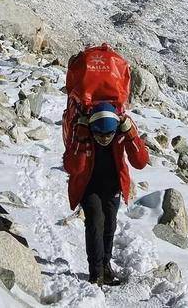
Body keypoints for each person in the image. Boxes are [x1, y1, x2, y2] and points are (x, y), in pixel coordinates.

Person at [63, 101, 149, 286]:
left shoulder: (122, 129)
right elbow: (72, 167)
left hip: (112, 184)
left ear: (115, 128)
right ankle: (96, 273)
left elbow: (140, 162)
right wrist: (81, 137)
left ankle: (106, 267)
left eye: (108, 134)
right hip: (89, 184)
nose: (103, 138)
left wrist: (131, 135)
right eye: (99, 134)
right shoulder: (82, 130)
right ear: (92, 128)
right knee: (95, 222)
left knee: (109, 223)